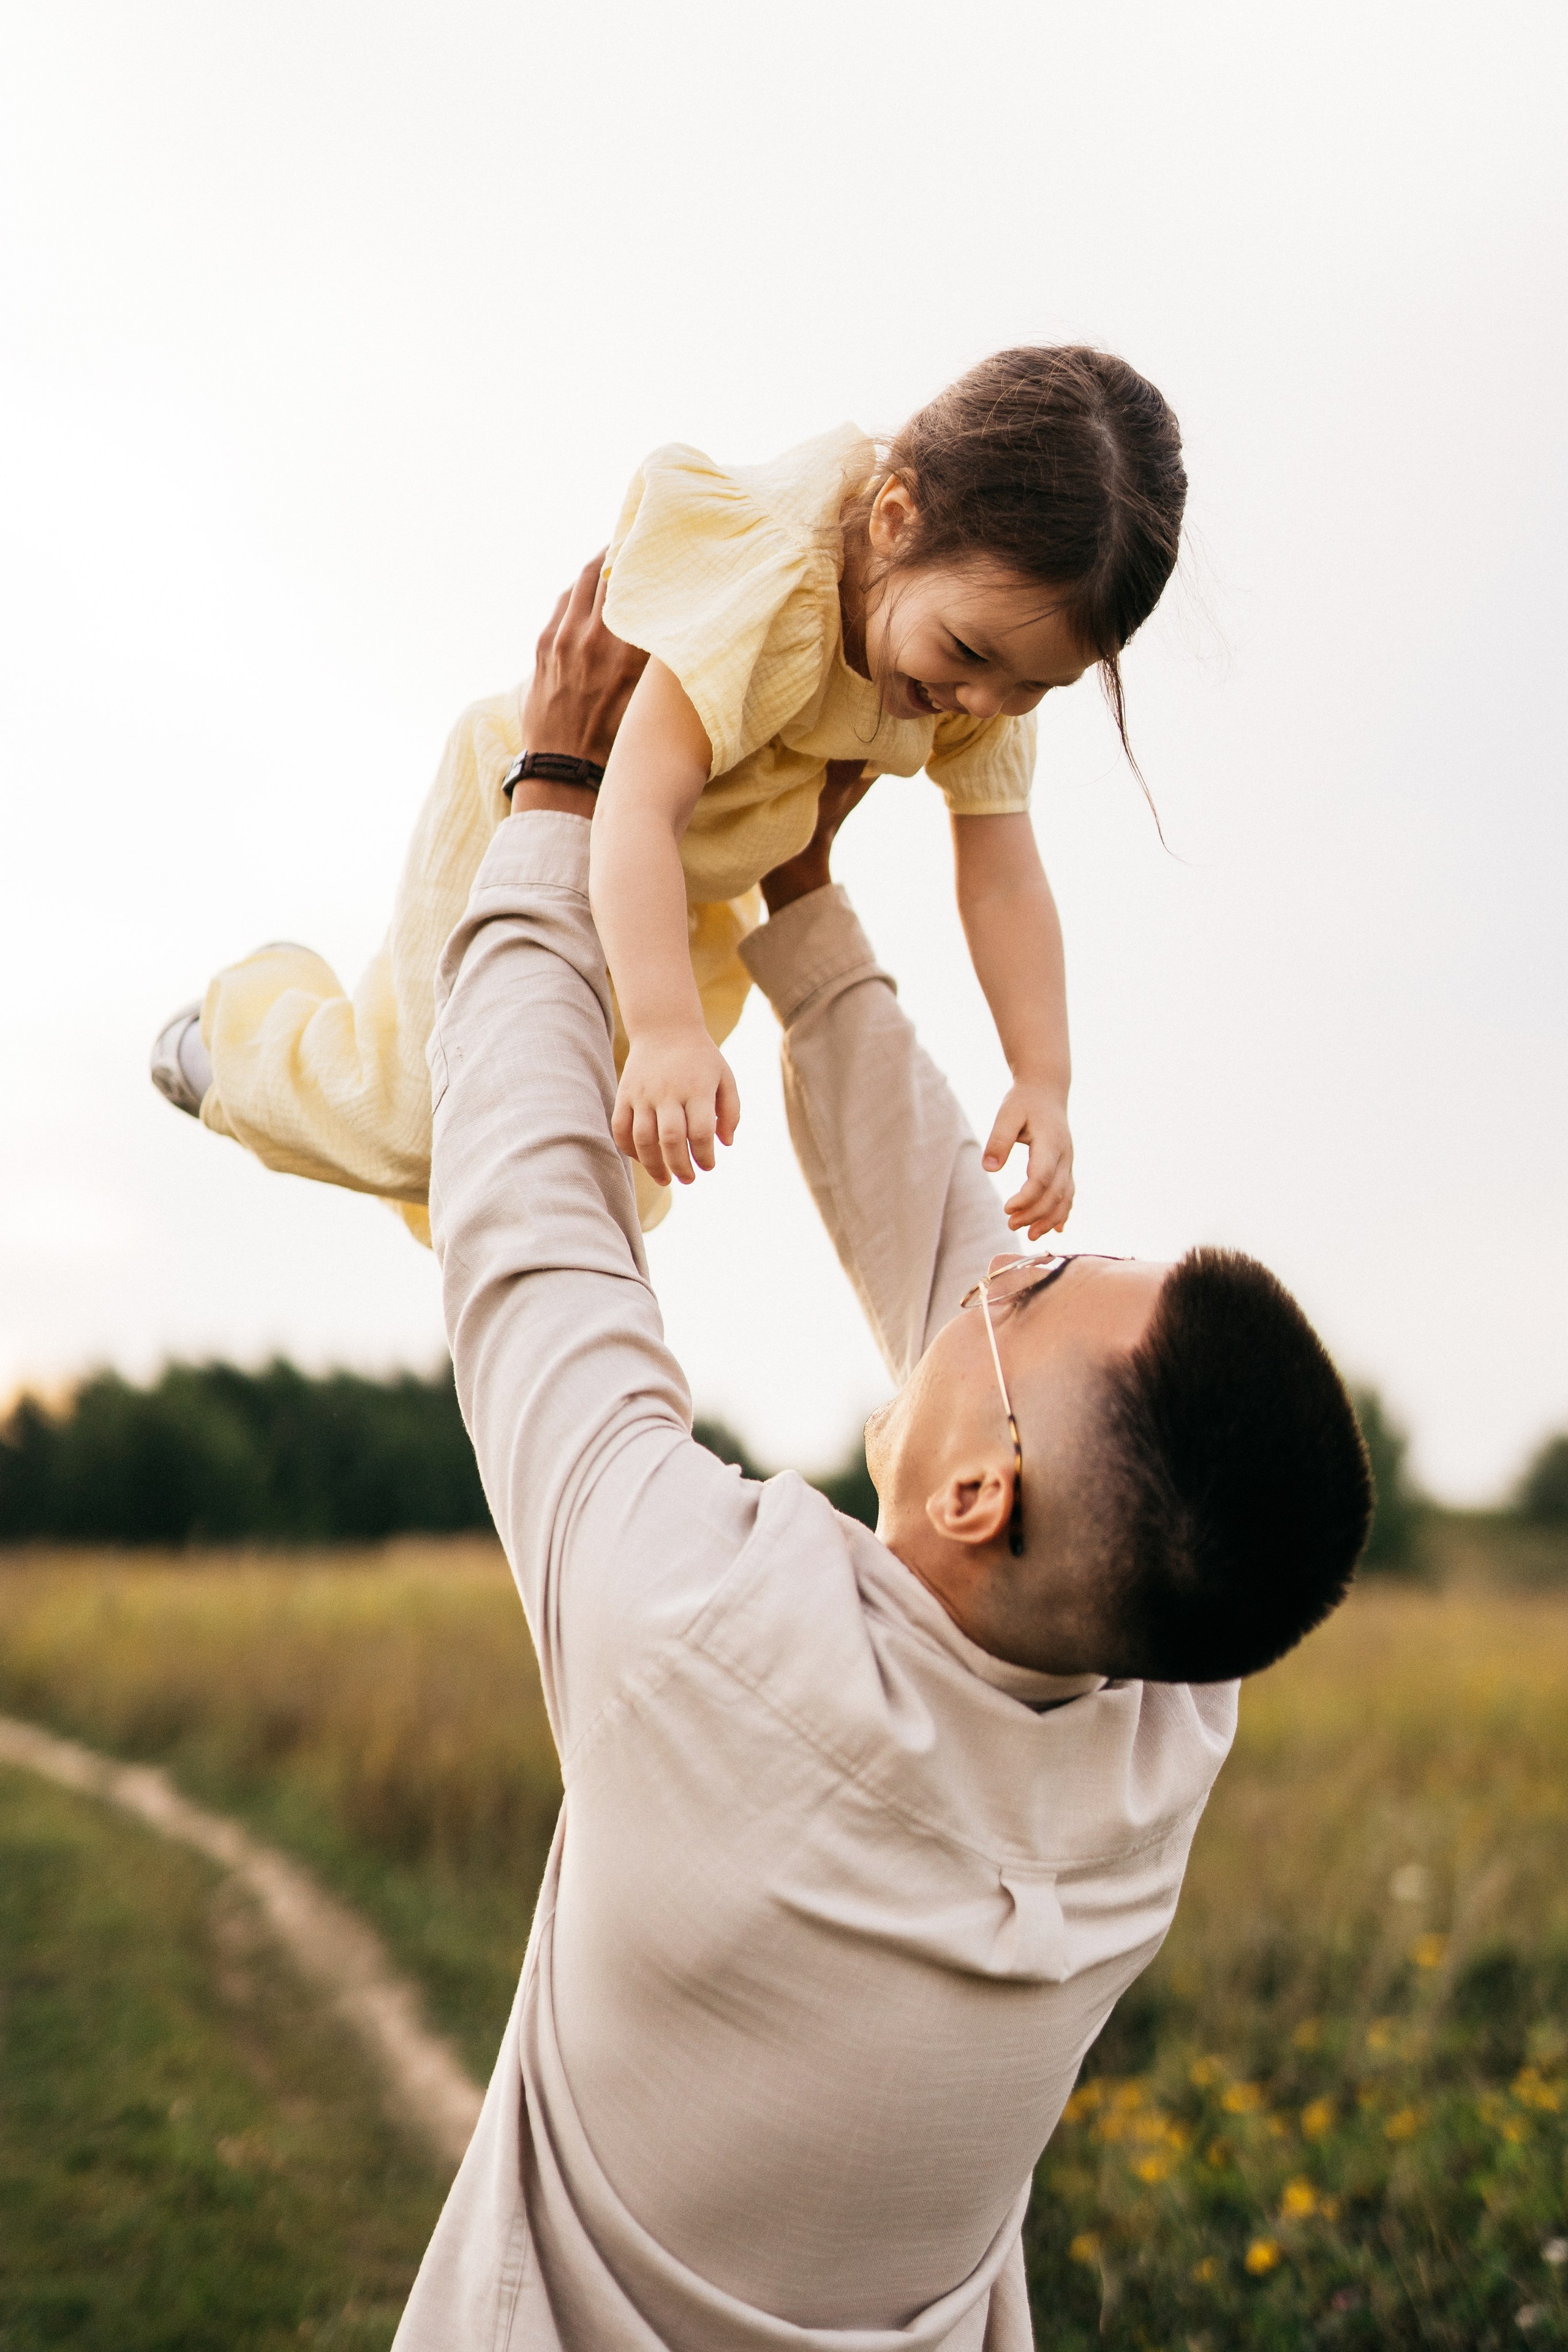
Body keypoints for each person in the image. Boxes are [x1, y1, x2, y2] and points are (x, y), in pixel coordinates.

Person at [386, 582, 1371, 2350]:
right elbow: (962, 1285)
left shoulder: (697, 1638)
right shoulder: (1160, 1714)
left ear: (982, 1498)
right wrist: (805, 908)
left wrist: (550, 800)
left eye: (1048, 1276)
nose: (1006, 1252)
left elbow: (533, 1220)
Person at [151, 345, 1186, 1246]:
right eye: (970, 655)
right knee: (423, 1113)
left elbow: (1003, 877)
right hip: (547, 804)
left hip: (684, 893)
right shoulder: (774, 578)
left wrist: (1041, 1077)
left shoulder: (985, 667)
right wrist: (665, 1029)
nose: (984, 700)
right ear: (897, 516)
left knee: (597, 1177)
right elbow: (638, 800)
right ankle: (229, 1041)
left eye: (1036, 686)